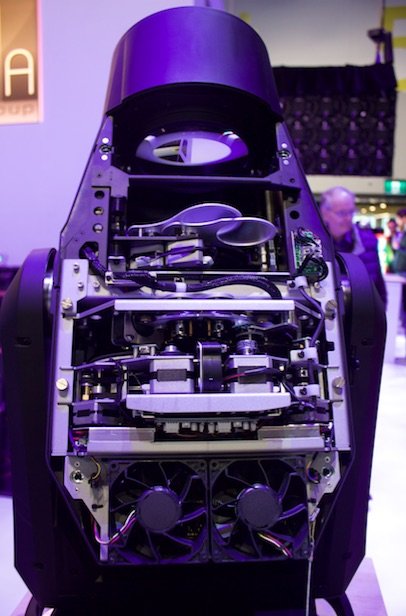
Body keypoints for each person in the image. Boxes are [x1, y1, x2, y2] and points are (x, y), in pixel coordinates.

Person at [319, 186, 387, 306]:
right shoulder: (314, 242)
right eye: (342, 213)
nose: (348, 218)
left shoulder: (367, 240)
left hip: (363, 309)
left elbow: (378, 284)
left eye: (351, 212)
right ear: (325, 213)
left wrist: (381, 309)